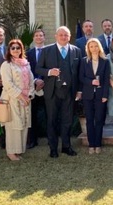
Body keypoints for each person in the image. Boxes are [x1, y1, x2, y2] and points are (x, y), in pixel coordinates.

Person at [36, 26, 82, 158]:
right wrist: (49, 72)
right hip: (52, 92)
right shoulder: (46, 50)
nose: (63, 37)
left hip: (69, 92)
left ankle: (66, 147)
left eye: (66, 35)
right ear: (56, 36)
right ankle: (53, 148)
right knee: (52, 121)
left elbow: (79, 73)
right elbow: (38, 68)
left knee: (67, 121)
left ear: (69, 37)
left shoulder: (76, 51)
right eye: (61, 35)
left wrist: (79, 91)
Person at [0, 39, 35, 161]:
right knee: (13, 126)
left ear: (21, 50)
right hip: (13, 99)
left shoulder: (26, 63)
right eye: (13, 48)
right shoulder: (6, 65)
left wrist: (29, 95)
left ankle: (18, 150)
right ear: (9, 50)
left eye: (18, 48)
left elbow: (31, 81)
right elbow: (8, 83)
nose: (16, 50)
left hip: (26, 100)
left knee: (23, 124)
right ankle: (11, 152)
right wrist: (21, 96)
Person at [79, 38, 110, 154]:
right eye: (91, 46)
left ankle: (98, 144)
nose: (94, 48)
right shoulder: (84, 61)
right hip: (88, 95)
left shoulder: (105, 61)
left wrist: (105, 95)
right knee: (89, 120)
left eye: (96, 46)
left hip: (101, 95)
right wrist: (91, 82)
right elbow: (81, 77)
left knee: (99, 120)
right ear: (88, 48)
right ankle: (91, 144)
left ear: (99, 47)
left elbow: (106, 79)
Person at [26, 29, 46, 149]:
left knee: (50, 114)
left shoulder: (50, 51)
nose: (39, 37)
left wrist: (42, 80)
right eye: (36, 36)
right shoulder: (28, 53)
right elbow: (27, 70)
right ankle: (33, 140)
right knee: (32, 115)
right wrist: (35, 81)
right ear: (33, 38)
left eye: (41, 35)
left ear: (44, 38)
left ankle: (51, 138)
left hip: (47, 86)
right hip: (32, 87)